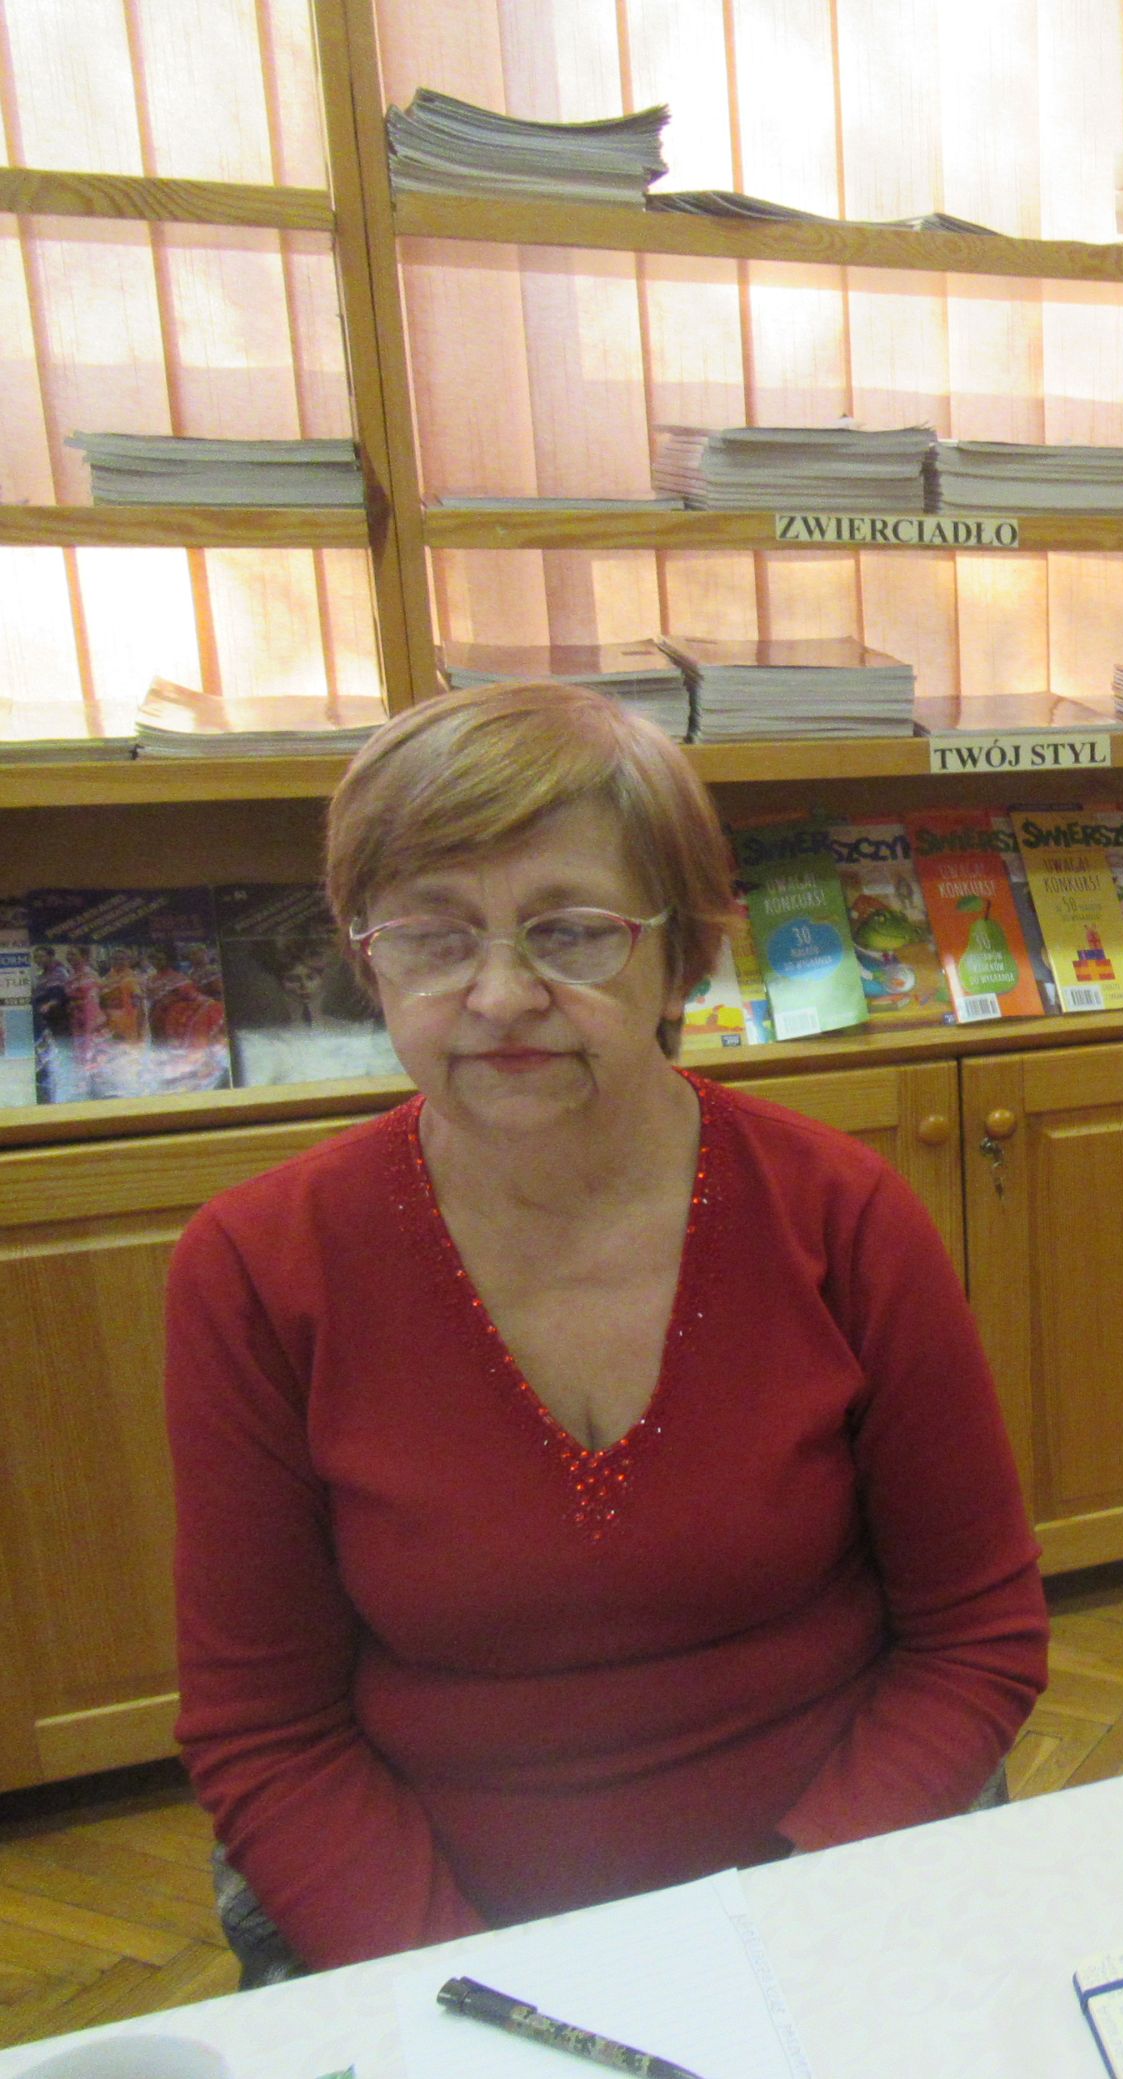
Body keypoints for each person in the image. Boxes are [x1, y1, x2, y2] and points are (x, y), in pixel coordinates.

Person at [167, 681, 1049, 1976]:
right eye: (432, 936)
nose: (499, 994)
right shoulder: (256, 1269)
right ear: (366, 957)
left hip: (829, 1898)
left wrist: (783, 1934)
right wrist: (475, 1994)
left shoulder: (843, 1217)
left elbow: (975, 1637)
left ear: (680, 954)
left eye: (571, 933)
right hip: (442, 1946)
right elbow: (269, 1731)